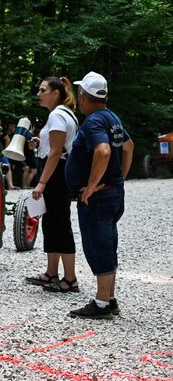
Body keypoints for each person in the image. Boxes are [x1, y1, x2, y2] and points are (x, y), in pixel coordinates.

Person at [65, 71, 133, 319]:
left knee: (99, 246)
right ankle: (109, 298)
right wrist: (118, 179)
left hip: (98, 199)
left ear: (84, 96)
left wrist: (92, 186)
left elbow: (103, 151)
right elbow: (129, 146)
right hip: (113, 194)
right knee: (108, 243)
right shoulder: (112, 117)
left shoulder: (93, 121)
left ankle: (102, 304)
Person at [25, 76, 79, 293]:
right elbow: (55, 146)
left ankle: (70, 280)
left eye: (42, 90)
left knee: (60, 223)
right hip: (57, 171)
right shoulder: (62, 114)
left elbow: (57, 152)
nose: (38, 94)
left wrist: (42, 183)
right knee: (51, 222)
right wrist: (39, 143)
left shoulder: (57, 115)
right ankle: (51, 273)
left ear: (55, 93)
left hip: (56, 174)